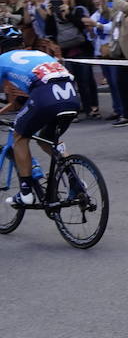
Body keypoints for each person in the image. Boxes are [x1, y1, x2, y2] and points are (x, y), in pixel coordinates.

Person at [0, 27, 78, 206]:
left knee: (20, 136)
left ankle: (26, 192)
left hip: (45, 96)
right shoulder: (37, 54)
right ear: (21, 44)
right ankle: (75, 181)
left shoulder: (2, 59)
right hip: (71, 96)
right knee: (47, 139)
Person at [44, 0, 97, 117]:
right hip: (65, 53)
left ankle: (90, 109)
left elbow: (81, 26)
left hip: (81, 51)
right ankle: (72, 110)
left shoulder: (76, 11)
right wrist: (50, 15)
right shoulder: (52, 15)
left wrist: (68, 14)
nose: (62, 0)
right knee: (68, 84)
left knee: (85, 81)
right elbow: (49, 32)